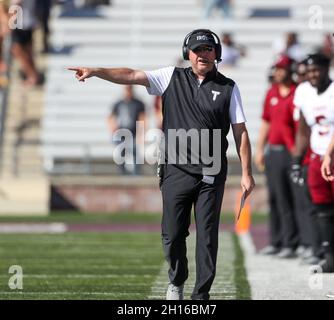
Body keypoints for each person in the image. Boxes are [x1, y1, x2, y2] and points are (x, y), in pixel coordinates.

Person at [68, 29, 255, 300]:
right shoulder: (171, 77)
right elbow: (131, 75)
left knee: (207, 236)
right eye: (197, 49)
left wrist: (247, 173)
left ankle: (201, 295)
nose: (203, 55)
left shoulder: (228, 87)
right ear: (187, 53)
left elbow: (241, 131)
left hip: (212, 171)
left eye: (208, 50)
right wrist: (97, 71)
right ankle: (177, 280)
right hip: (175, 169)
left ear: (217, 54)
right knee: (172, 235)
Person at [292, 53, 334, 272]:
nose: (312, 75)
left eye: (316, 69)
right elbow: (303, 130)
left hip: (332, 155)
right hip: (317, 157)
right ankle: (328, 255)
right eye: (308, 71)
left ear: (326, 68)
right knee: (321, 208)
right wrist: (297, 161)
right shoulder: (304, 93)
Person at [255, 54, 299, 258]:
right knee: (274, 198)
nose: (278, 72)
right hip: (273, 151)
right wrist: (259, 149)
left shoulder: (297, 93)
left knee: (289, 199)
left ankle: (291, 242)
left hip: (291, 153)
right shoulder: (271, 92)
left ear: (290, 70)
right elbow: (266, 122)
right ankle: (276, 240)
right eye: (277, 69)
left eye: (282, 68)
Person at [108, 85, 145, 175]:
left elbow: (142, 118)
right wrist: (113, 129)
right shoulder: (119, 103)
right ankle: (122, 174)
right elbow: (111, 118)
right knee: (121, 154)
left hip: (133, 133)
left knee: (135, 153)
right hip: (121, 133)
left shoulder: (138, 103)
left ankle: (136, 175)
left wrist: (141, 133)